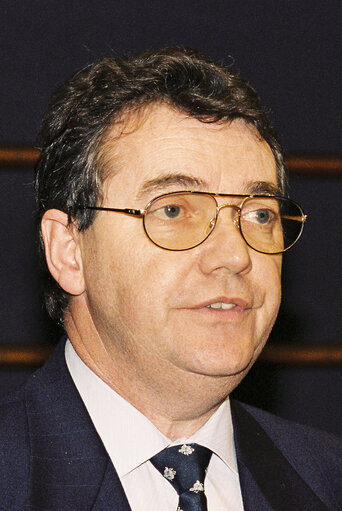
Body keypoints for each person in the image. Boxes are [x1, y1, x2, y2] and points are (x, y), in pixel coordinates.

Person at [0, 47, 340, 511]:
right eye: (174, 209)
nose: (235, 255)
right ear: (69, 250)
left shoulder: (326, 477)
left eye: (259, 213)